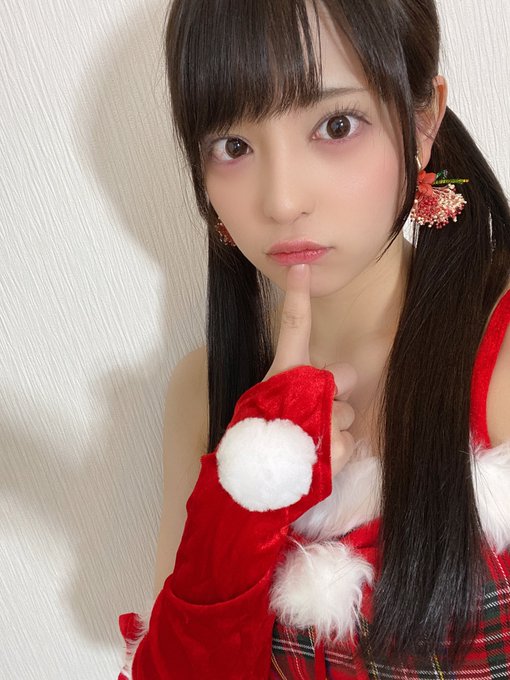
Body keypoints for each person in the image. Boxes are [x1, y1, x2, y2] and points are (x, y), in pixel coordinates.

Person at [118, 0, 510, 677]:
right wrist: (248, 500)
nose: (280, 200)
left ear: (422, 122)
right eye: (233, 146)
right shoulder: (203, 393)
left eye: (336, 125)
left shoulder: (498, 361)